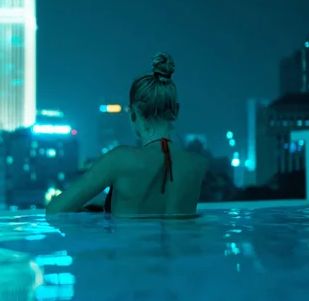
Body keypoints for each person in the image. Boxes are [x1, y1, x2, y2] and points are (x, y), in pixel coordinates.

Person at [46, 52, 207, 217]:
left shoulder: (120, 159)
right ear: (176, 111)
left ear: (133, 113)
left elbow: (55, 211)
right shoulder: (196, 165)